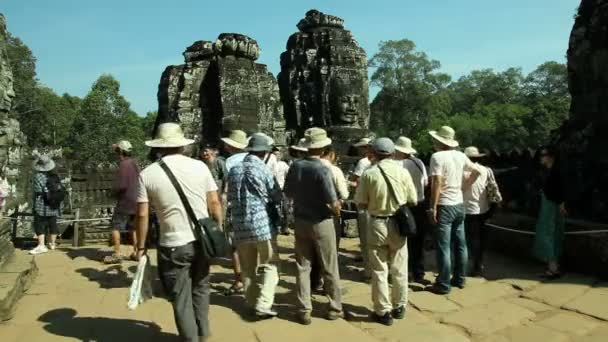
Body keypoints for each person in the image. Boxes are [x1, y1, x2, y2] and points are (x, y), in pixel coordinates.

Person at [135, 123, 223, 342]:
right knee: (201, 287)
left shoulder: (147, 174)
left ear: (158, 147)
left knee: (180, 295)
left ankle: (190, 338)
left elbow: (143, 215)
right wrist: (218, 230)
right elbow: (214, 202)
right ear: (182, 146)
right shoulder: (200, 167)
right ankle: (203, 334)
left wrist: (141, 246)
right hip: (201, 240)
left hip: (172, 242)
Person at [355, 138, 417, 326]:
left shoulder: (369, 173)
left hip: (377, 223)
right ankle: (399, 306)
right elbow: (412, 199)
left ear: (374, 152)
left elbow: (361, 202)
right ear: (392, 152)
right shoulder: (403, 172)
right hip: (398, 223)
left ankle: (383, 311)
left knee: (379, 269)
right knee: (399, 266)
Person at [284, 127, 343, 325]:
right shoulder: (322, 169)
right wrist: (337, 212)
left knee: (303, 266)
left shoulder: (296, 166)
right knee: (329, 266)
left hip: (301, 220)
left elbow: (288, 192)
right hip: (321, 221)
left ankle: (303, 308)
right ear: (324, 147)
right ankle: (335, 307)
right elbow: (333, 202)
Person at [227, 133, 283, 319]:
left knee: (248, 266)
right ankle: (264, 303)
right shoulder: (264, 170)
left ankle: (250, 301)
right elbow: (276, 196)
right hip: (262, 224)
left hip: (240, 224)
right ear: (265, 152)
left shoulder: (234, 169)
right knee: (270, 264)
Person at [426, 126, 481, 295]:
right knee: (461, 245)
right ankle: (460, 278)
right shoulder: (461, 155)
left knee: (443, 247)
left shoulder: (437, 157)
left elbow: (436, 182)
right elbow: (477, 171)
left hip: (444, 205)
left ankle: (443, 283)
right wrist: (463, 187)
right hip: (458, 205)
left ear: (439, 141)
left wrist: (432, 207)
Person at [393, 137, 430, 284]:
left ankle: (406, 271)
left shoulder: (399, 164)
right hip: (420, 204)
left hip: (405, 205)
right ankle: (418, 271)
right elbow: (426, 183)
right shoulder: (419, 162)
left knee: (404, 240)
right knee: (419, 240)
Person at [221, 129, 248, 296]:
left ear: (231, 145)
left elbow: (226, 187)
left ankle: (239, 280)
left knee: (235, 245)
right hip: (254, 208)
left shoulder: (229, 162)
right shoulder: (254, 159)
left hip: (235, 206)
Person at [533, 146, 567, 279]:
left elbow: (561, 189)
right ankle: (553, 267)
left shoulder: (556, 171)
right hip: (550, 205)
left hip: (554, 206)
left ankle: (553, 268)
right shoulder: (548, 171)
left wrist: (562, 204)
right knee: (550, 234)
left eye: (544, 155)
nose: (541, 157)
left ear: (551, 157)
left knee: (550, 235)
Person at [104, 141, 140, 264]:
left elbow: (122, 185)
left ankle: (117, 253)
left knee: (115, 227)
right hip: (136, 200)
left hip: (125, 201)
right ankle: (137, 253)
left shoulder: (124, 165)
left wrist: (112, 193)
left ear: (120, 152)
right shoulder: (134, 163)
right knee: (133, 228)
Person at [463, 146, 494, 277]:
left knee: (469, 239)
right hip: (484, 208)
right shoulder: (487, 170)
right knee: (480, 238)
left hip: (467, 209)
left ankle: (471, 265)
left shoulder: (463, 171)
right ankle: (479, 264)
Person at [30, 154, 62, 255]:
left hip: (41, 204)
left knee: (39, 224)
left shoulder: (37, 176)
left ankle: (41, 245)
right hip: (54, 204)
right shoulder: (55, 175)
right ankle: (52, 244)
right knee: (53, 224)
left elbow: (37, 191)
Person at [351, 137, 373, 280]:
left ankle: (368, 272)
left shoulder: (363, 162)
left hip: (365, 204)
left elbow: (357, 180)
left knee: (365, 240)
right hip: (380, 207)